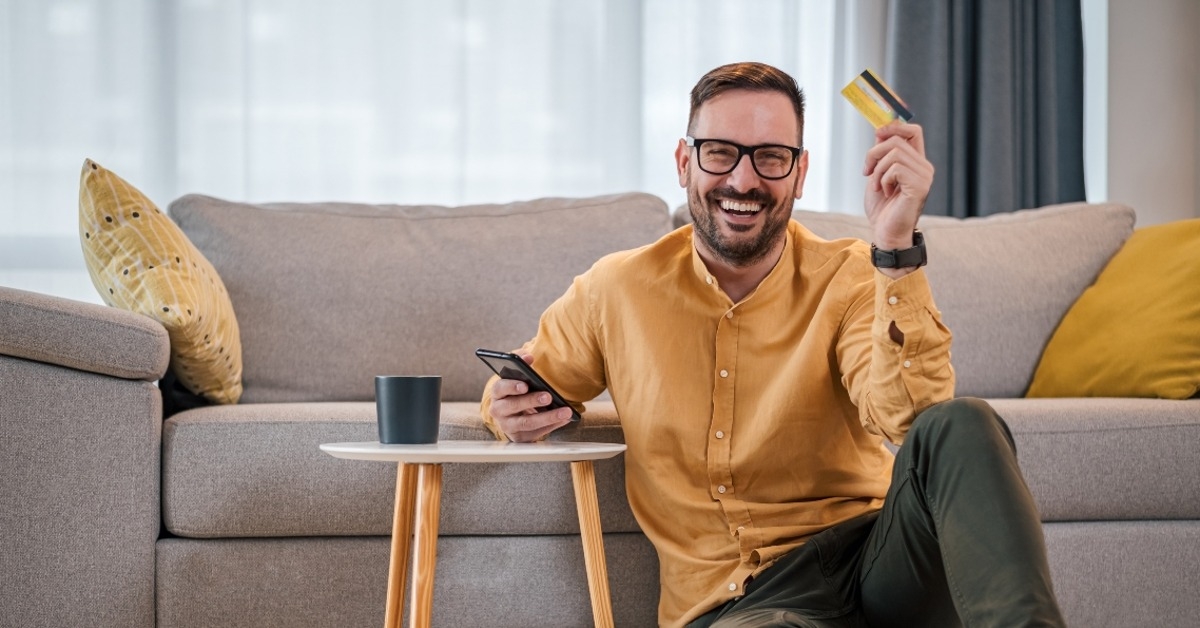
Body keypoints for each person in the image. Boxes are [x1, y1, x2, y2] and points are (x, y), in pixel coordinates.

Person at [480, 61, 1064, 627]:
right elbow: (523, 381)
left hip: (876, 564)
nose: (743, 180)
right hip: (741, 606)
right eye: (719, 152)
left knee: (960, 423)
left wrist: (895, 245)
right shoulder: (616, 289)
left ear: (800, 173)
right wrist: (505, 408)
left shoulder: (856, 274)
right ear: (685, 161)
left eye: (771, 157)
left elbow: (909, 419)